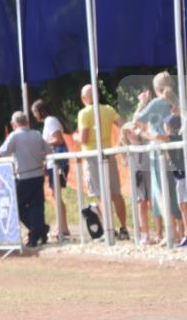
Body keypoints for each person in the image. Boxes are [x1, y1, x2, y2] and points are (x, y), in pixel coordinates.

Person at [0, 112, 51, 247]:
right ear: (27, 121)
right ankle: (39, 232)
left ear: (14, 124)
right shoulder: (37, 134)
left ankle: (38, 230)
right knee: (37, 207)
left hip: (24, 177)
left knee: (16, 206)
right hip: (38, 176)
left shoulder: (14, 136)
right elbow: (49, 150)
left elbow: (1, 151)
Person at [75, 84, 129, 240]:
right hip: (108, 154)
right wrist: (121, 140)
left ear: (84, 98)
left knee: (101, 195)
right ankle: (123, 228)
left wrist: (77, 138)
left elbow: (84, 138)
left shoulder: (83, 113)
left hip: (92, 157)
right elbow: (123, 125)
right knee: (116, 194)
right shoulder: (108, 109)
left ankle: (109, 230)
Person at [133, 72, 182, 237]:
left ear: (156, 88)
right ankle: (180, 231)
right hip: (176, 150)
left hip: (159, 151)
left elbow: (136, 121)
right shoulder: (177, 101)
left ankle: (170, 233)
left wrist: (142, 103)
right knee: (176, 191)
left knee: (161, 191)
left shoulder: (156, 102)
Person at [31, 99, 70, 239]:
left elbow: (59, 139)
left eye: (34, 112)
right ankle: (62, 226)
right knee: (56, 195)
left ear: (39, 111)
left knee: (56, 195)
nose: (34, 115)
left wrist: (42, 145)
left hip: (57, 163)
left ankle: (62, 227)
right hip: (53, 163)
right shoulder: (50, 121)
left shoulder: (50, 121)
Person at [121, 124, 156, 245]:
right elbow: (125, 163)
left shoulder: (145, 142)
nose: (132, 133)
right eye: (128, 132)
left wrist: (141, 133)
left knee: (153, 203)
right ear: (125, 136)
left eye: (133, 130)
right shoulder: (127, 148)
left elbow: (152, 140)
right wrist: (130, 144)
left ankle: (159, 232)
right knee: (141, 205)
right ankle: (145, 234)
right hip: (137, 176)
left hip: (149, 173)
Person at [161, 115, 186, 247]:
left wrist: (144, 132)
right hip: (179, 176)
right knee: (182, 206)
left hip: (182, 176)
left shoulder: (176, 137)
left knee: (183, 206)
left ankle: (185, 235)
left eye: (166, 125)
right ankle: (183, 234)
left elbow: (162, 137)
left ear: (170, 127)